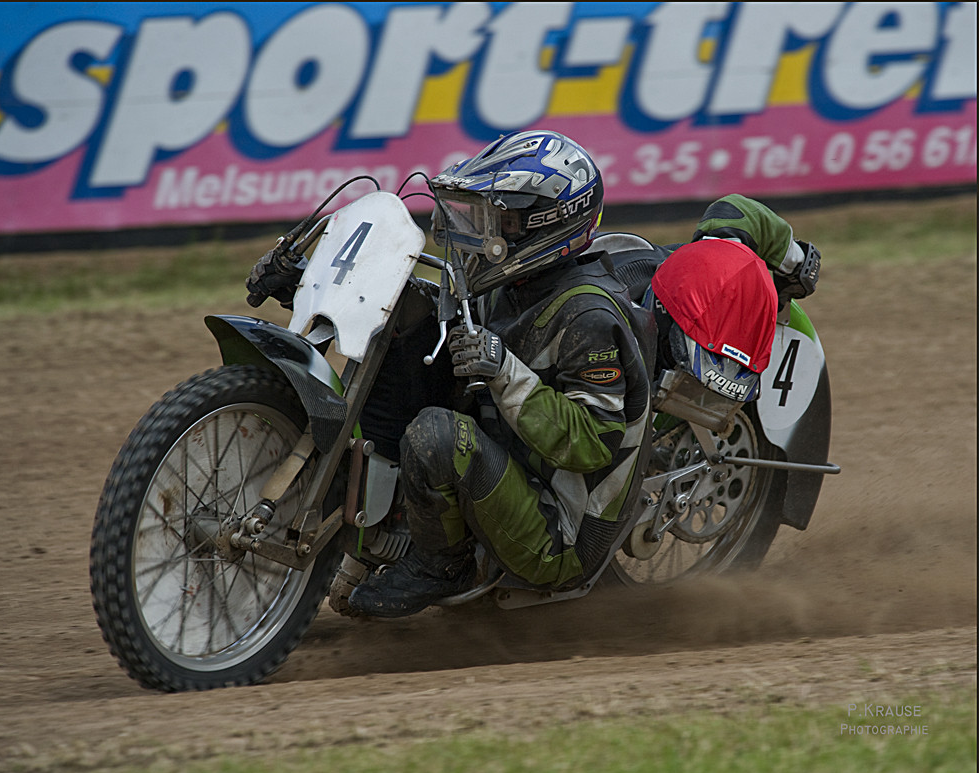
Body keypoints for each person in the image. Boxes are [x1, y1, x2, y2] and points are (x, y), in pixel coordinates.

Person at [244, 131, 819, 619]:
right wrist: (301, 279)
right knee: (404, 330)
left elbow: (591, 444)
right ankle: (381, 516)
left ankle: (439, 566)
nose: (480, 231)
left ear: (544, 228)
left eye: (500, 221)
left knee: (438, 436)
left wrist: (502, 368)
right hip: (515, 454)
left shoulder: (589, 318)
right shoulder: (514, 276)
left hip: (560, 530)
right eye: (482, 214)